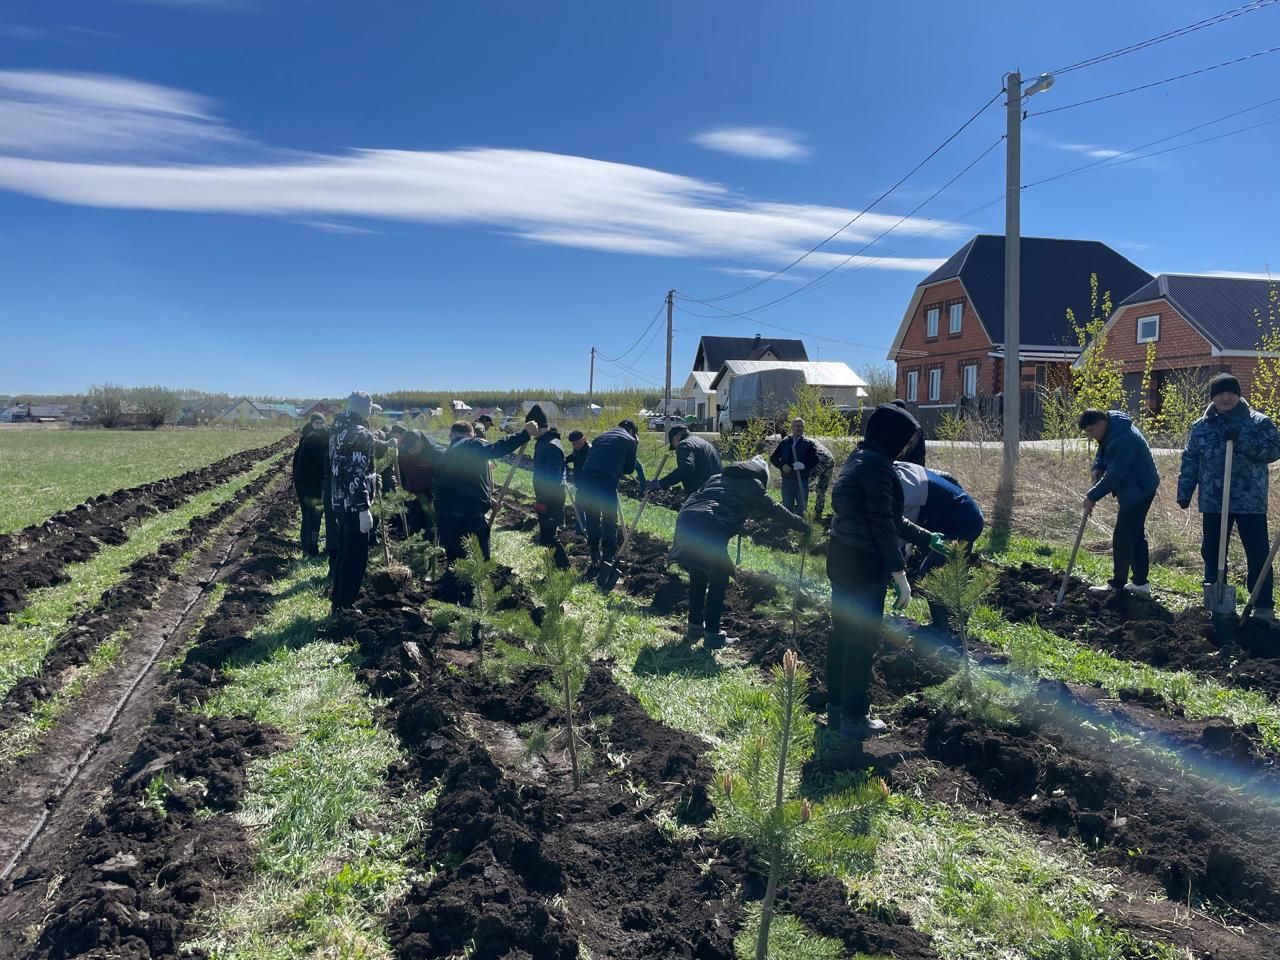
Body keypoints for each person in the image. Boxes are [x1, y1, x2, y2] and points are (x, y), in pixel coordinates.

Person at [828, 403, 948, 744]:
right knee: (861, 640)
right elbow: (882, 524)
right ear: (893, 436)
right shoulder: (878, 468)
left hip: (842, 557)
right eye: (906, 440)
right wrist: (898, 571)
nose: (908, 447)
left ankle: (837, 709)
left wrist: (928, 538)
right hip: (865, 565)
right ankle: (854, 718)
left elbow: (890, 518)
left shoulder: (859, 459)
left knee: (842, 634)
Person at [670, 457, 808, 648]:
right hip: (710, 526)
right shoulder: (752, 485)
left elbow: (715, 500)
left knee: (699, 573)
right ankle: (712, 635)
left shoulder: (717, 478)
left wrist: (735, 523)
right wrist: (803, 526)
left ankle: (694, 628)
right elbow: (775, 510)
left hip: (687, 521)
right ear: (760, 475)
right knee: (719, 578)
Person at [1177, 373, 1280, 620]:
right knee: (1212, 551)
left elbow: (1274, 450)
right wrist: (1185, 490)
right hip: (1213, 501)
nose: (1225, 397)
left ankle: (1263, 605)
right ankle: (1215, 598)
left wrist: (1243, 439)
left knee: (1257, 553)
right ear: (1213, 397)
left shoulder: (1258, 422)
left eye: (1230, 392)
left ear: (1238, 394)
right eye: (1220, 393)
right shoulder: (1201, 426)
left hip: (1249, 502)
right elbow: (1190, 459)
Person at [1078, 409, 1160, 596]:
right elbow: (1102, 450)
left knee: (1123, 536)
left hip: (1139, 488)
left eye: (1091, 431)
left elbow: (1115, 475)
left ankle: (1117, 584)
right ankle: (1140, 583)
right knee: (1135, 534)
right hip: (1137, 485)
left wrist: (1092, 496)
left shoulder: (1123, 440)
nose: (1090, 436)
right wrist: (1097, 467)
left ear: (1101, 423)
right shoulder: (1112, 428)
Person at [895, 461, 984, 629]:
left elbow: (902, 527)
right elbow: (948, 478)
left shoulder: (902, 487)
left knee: (933, 572)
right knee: (950, 572)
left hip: (964, 523)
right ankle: (949, 627)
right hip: (956, 518)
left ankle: (945, 630)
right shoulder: (904, 469)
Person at [433, 419, 535, 562]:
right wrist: (524, 434)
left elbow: (459, 485)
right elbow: (498, 448)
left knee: (455, 564)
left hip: (446, 521)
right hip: (468, 520)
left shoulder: (444, 456)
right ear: (472, 435)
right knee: (479, 564)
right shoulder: (470, 444)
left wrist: (489, 500)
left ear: (451, 436)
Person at [328, 392, 392, 613]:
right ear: (365, 409)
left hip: (340, 502)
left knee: (344, 552)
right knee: (356, 557)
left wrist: (373, 476)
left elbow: (343, 470)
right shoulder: (361, 434)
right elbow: (355, 472)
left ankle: (337, 600)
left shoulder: (338, 431)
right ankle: (345, 606)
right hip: (354, 505)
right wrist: (363, 508)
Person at [578, 419, 647, 586]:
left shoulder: (600, 437)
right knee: (609, 517)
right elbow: (630, 468)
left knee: (592, 515)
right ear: (632, 430)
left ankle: (594, 554)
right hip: (607, 478)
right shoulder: (630, 440)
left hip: (587, 476)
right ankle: (608, 556)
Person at [528, 405, 571, 569]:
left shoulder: (551, 445)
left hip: (551, 497)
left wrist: (542, 500)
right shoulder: (543, 442)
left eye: (531, 429)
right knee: (546, 536)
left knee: (550, 535)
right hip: (546, 495)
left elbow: (552, 478)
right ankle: (555, 568)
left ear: (538, 426)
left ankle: (564, 569)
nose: (530, 433)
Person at [389, 424, 447, 539]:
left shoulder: (437, 453)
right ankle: (414, 554)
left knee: (431, 530)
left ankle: (432, 554)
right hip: (413, 498)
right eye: (409, 449)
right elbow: (400, 473)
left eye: (414, 448)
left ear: (421, 441)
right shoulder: (403, 453)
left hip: (433, 499)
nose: (412, 451)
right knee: (414, 530)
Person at [651, 424, 722, 500]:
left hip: (702, 494)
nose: (675, 448)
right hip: (717, 489)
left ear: (676, 437)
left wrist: (661, 483)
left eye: (673, 444)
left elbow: (686, 468)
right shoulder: (704, 443)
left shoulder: (684, 445)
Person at [292, 413, 329, 556]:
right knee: (312, 516)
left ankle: (308, 547)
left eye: (321, 423)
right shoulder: (310, 441)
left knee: (312, 516)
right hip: (309, 486)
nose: (319, 426)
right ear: (312, 424)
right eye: (317, 423)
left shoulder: (310, 438)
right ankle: (310, 548)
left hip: (310, 485)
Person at [770, 418, 819, 515]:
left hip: (801, 480)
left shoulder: (808, 444)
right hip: (787, 481)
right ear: (792, 428)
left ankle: (801, 528)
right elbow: (773, 458)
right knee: (787, 507)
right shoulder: (785, 443)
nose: (799, 428)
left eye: (801, 426)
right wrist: (782, 466)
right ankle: (788, 528)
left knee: (802, 508)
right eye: (797, 426)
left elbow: (815, 460)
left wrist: (804, 465)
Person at [566, 430, 591, 534]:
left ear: (584, 439)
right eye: (574, 444)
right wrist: (563, 460)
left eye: (578, 443)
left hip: (589, 484)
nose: (576, 446)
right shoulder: (577, 449)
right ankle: (580, 530)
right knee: (579, 507)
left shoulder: (590, 451)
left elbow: (588, 472)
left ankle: (589, 530)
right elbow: (574, 457)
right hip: (579, 482)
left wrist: (578, 486)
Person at [891, 399, 927, 466]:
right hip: (914, 468)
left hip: (900, 467)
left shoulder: (891, 425)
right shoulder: (915, 425)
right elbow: (921, 453)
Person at [811, 441, 837, 521]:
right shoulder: (810, 440)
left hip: (821, 459)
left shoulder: (802, 441)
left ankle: (801, 512)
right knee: (821, 488)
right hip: (830, 459)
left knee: (804, 483)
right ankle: (818, 513)